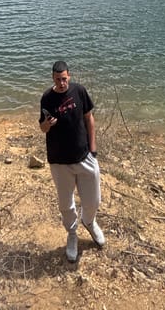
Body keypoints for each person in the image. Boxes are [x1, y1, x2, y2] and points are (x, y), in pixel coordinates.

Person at [39, 60, 105, 262]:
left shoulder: (79, 91)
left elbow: (89, 118)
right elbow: (42, 128)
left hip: (84, 156)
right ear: (53, 78)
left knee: (93, 200)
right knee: (66, 205)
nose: (61, 83)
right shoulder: (47, 98)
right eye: (58, 79)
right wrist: (48, 125)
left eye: (64, 79)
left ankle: (89, 222)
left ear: (70, 76)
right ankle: (72, 234)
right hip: (59, 162)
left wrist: (93, 148)